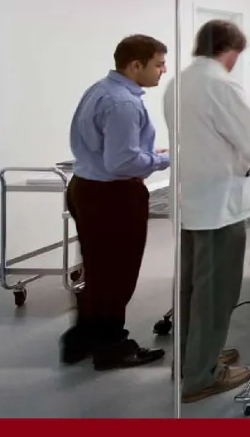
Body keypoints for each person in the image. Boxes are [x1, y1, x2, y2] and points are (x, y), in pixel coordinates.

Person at [164, 20, 250, 403]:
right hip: (219, 204)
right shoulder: (220, 84)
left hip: (190, 201)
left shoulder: (179, 82)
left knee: (191, 287)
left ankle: (191, 358)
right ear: (230, 49)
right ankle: (203, 375)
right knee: (215, 291)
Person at [60, 35, 170, 370]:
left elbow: (114, 151)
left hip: (87, 187)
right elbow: (121, 163)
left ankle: (82, 339)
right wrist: (161, 161)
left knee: (98, 270)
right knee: (116, 274)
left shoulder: (101, 89)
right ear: (135, 65)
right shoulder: (123, 103)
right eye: (158, 64)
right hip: (112, 196)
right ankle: (112, 346)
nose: (163, 70)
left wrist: (147, 155)